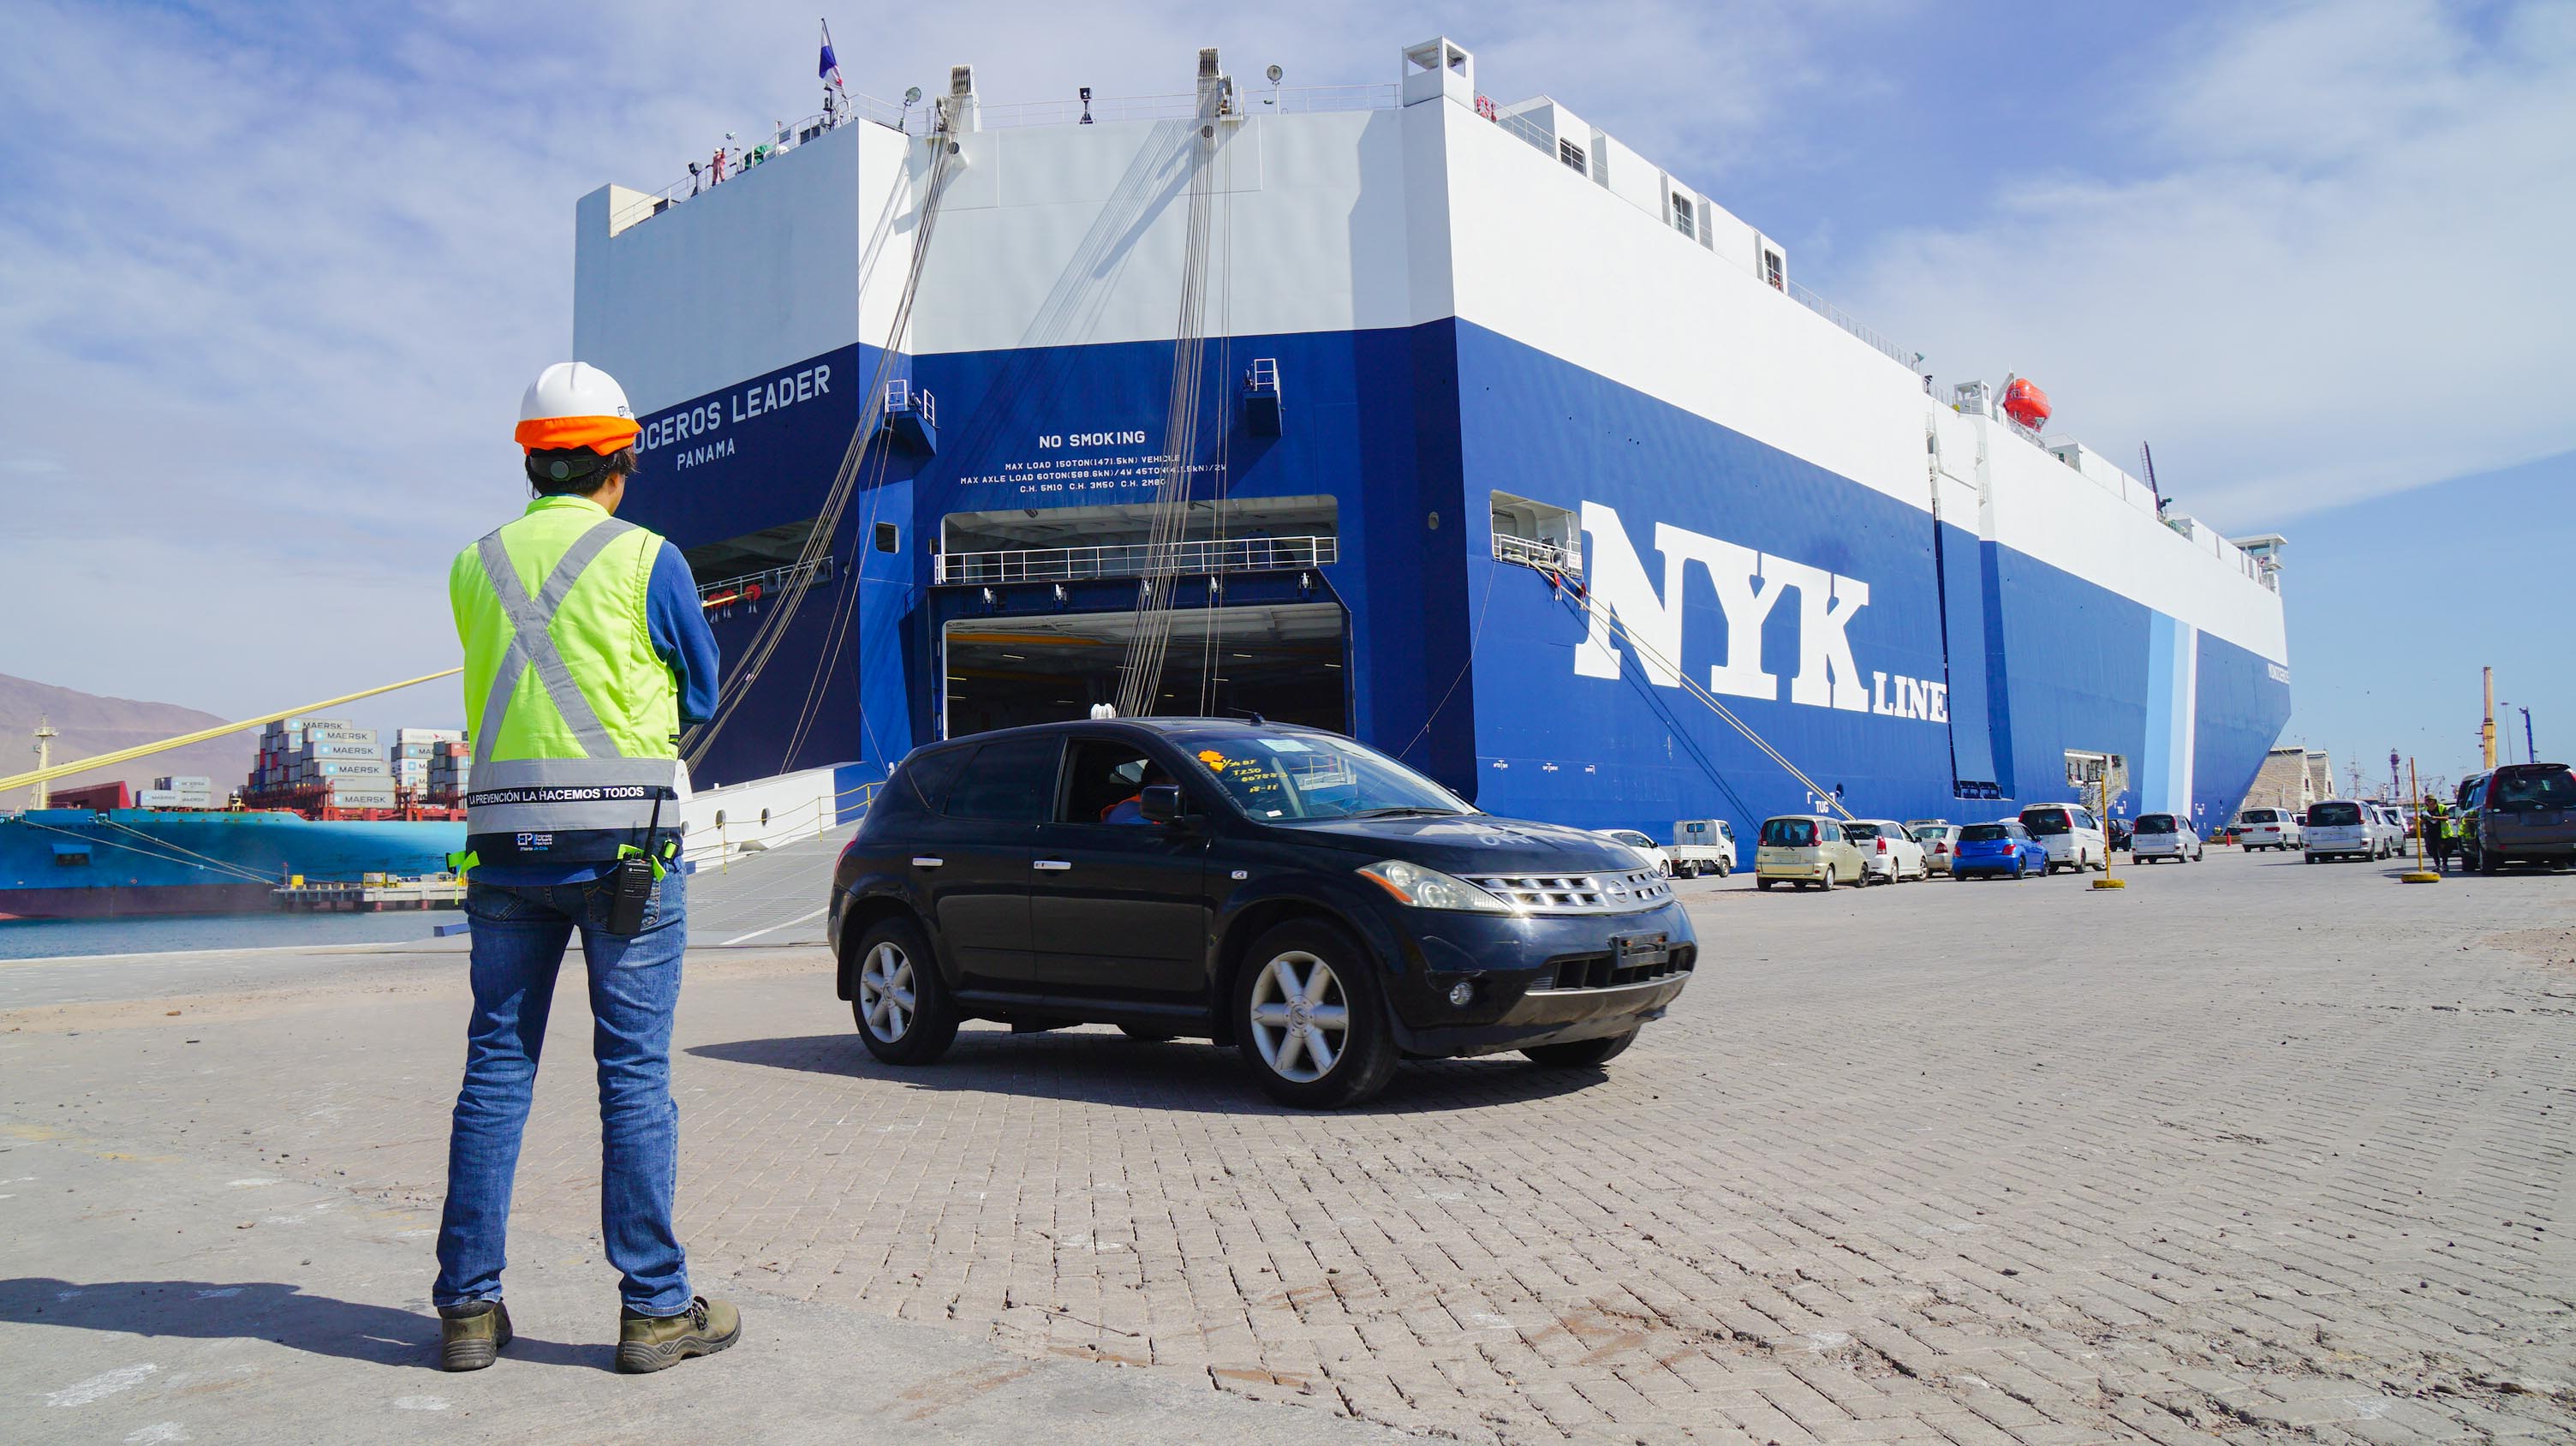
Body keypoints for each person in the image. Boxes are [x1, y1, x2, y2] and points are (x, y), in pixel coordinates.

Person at [432, 362, 739, 1375]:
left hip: (503, 853)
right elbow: (700, 687)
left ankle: (468, 1309)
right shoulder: (650, 558)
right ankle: (654, 1307)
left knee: (495, 1067)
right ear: (619, 459)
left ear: (532, 458)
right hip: (628, 860)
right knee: (633, 1074)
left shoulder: (471, 564)